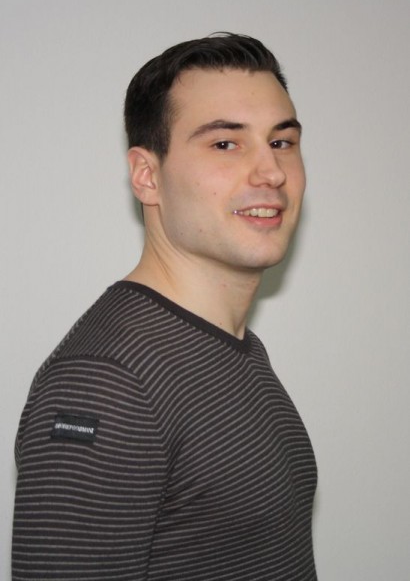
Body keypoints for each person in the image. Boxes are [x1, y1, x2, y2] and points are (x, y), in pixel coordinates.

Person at [12, 33, 318, 580]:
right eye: (225, 144)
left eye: (281, 141)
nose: (271, 172)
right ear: (147, 176)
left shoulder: (233, 348)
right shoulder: (106, 381)